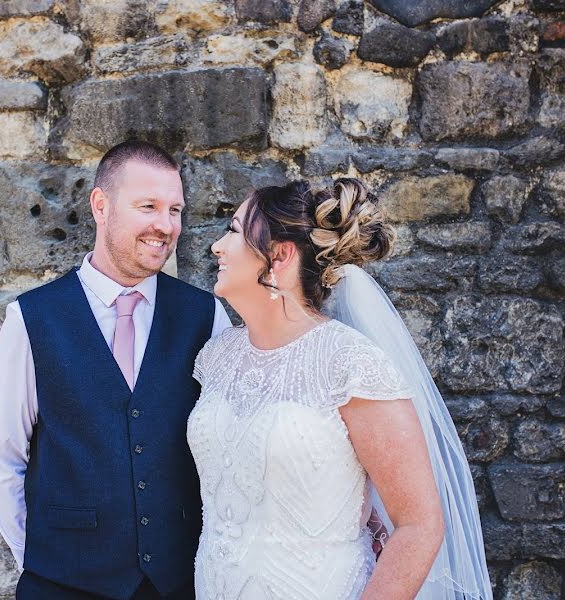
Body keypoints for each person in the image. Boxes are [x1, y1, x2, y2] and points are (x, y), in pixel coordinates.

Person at [189, 178, 492, 599]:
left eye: (235, 232)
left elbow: (420, 524)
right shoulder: (216, 358)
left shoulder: (350, 364)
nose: (218, 246)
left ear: (278, 255)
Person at [0, 140, 233, 600]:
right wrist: (37, 561)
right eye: (148, 206)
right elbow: (3, 455)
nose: (165, 225)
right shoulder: (32, 317)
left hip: (177, 585)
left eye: (175, 209)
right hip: (60, 582)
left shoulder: (206, 316)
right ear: (101, 205)